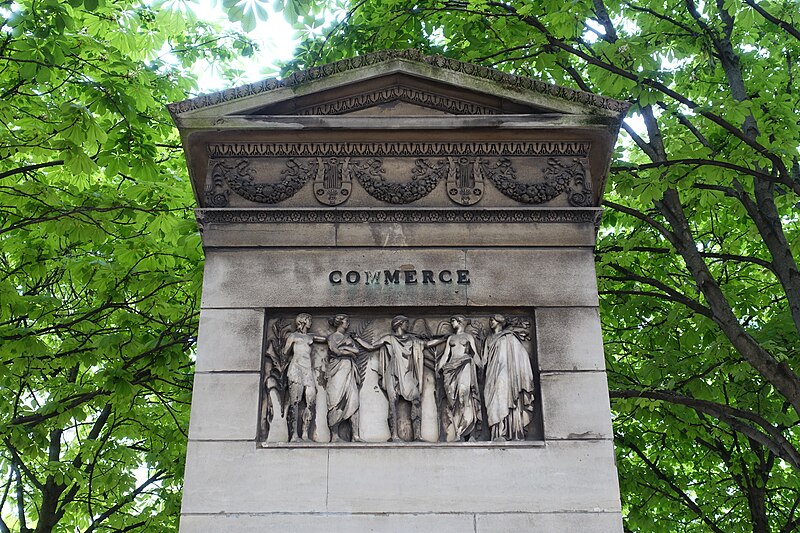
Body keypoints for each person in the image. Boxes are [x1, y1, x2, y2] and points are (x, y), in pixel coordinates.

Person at [360, 315, 445, 441]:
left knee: (416, 399)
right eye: (406, 323)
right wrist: (356, 338)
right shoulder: (389, 338)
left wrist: (443, 339)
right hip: (393, 373)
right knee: (392, 403)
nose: (408, 325)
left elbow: (426, 344)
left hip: (407, 373)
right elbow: (370, 347)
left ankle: (417, 435)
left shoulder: (412, 339)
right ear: (399, 324)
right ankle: (394, 435)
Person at [482, 314, 535, 441]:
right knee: (493, 400)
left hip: (506, 374)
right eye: (490, 320)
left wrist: (522, 374)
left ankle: (507, 432)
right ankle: (497, 433)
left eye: (493, 320)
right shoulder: (489, 338)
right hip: (492, 374)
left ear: (500, 322)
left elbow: (521, 354)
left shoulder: (509, 337)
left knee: (505, 398)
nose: (490, 322)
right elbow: (484, 359)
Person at [437, 316, 482, 441]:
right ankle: (458, 430)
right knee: (452, 400)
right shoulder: (451, 338)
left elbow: (474, 354)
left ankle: (465, 431)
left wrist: (481, 366)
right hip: (451, 369)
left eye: (453, 321)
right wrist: (439, 369)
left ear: (460, 322)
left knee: (464, 395)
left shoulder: (468, 337)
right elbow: (446, 355)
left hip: (465, 365)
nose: (452, 323)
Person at [283, 313, 326, 442]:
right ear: (302, 322)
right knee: (295, 403)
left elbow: (325, 339)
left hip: (308, 371)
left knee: (310, 401)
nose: (311, 323)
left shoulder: (310, 337)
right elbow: (285, 352)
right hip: (296, 370)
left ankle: (305, 434)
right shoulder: (293, 336)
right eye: (309, 320)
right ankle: (294, 435)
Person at [326, 314, 362, 442]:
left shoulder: (348, 338)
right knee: (335, 401)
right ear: (340, 322)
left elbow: (357, 351)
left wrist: (345, 348)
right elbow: (335, 351)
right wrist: (349, 351)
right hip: (337, 371)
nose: (348, 323)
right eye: (347, 321)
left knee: (354, 401)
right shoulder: (332, 337)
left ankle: (355, 435)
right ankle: (334, 435)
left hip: (349, 371)